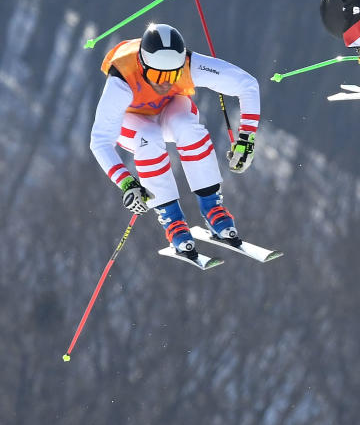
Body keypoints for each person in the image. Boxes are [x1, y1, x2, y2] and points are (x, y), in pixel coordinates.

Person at [90, 23, 261, 260]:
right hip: (132, 122)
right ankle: (173, 220)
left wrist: (246, 138)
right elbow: (99, 141)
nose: (165, 83)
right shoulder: (122, 79)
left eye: (173, 75)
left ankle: (212, 207)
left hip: (169, 111)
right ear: (143, 65)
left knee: (188, 128)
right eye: (158, 75)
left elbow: (248, 85)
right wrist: (127, 183)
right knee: (149, 138)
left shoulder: (189, 64)